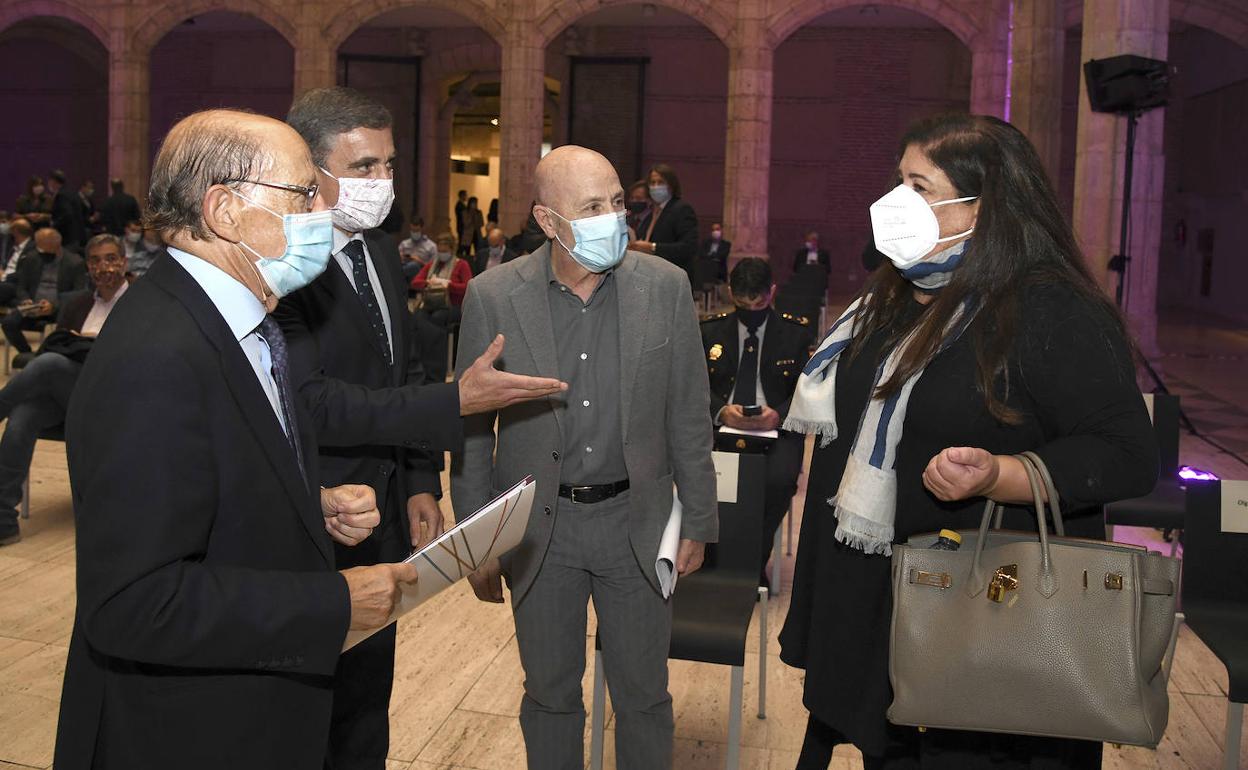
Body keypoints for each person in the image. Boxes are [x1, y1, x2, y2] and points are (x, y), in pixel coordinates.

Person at [778, 113, 1158, 769]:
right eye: (899, 181)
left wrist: (1002, 474)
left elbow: (1126, 453)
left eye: (919, 186)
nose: (897, 201)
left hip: (984, 618)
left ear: (985, 205)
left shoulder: (1050, 308)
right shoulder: (898, 292)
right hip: (883, 613)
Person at [53, 109, 417, 770]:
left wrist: (310, 502)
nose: (323, 208)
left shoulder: (239, 320)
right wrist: (332, 601)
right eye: (304, 193)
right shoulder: (156, 355)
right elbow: (135, 602)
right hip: (185, 733)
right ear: (223, 209)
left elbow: (212, 477)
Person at [281, 85, 558, 770]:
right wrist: (451, 405)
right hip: (315, 515)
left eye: (389, 165)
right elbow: (309, 402)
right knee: (307, 699)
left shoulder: (375, 251)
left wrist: (417, 478)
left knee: (368, 695)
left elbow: (398, 370)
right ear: (310, 173)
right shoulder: (287, 266)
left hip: (383, 518)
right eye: (364, 168)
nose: (383, 183)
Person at [452, 145, 718, 770]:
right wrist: (475, 540)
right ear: (547, 222)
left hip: (638, 522)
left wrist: (700, 521)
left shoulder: (665, 287)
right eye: (592, 207)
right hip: (542, 530)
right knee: (549, 694)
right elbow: (468, 429)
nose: (613, 218)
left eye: (618, 202)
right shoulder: (494, 296)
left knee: (645, 695)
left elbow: (688, 411)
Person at [0, 234, 130, 546]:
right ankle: (3, 519)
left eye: (111, 259)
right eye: (96, 261)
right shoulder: (77, 305)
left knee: (49, 364)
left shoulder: (140, 303)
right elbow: (59, 343)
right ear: (88, 267)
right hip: (69, 395)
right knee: (24, 414)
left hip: (115, 401)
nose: (104, 267)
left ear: (124, 262)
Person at [700, 257, 815, 588]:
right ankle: (716, 557)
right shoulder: (710, 331)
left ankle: (753, 561)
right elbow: (692, 385)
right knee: (707, 479)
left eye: (760, 302)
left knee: (778, 482)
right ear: (730, 292)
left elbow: (810, 390)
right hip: (720, 426)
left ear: (772, 293)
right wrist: (722, 410)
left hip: (777, 428)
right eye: (743, 303)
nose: (752, 309)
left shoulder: (795, 333)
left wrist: (779, 412)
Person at [2, 227, 88, 355]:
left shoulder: (75, 263)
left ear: (56, 246)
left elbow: (77, 293)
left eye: (45, 250)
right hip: (33, 306)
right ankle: (27, 354)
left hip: (58, 308)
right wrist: (25, 300)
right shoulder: (32, 258)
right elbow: (22, 286)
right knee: (8, 323)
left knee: (64, 332)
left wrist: (54, 306)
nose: (41, 252)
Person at [631, 163, 698, 289]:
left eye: (660, 182)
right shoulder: (652, 213)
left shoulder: (681, 209)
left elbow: (688, 247)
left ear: (671, 186)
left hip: (673, 280)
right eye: (652, 183)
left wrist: (653, 247)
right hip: (651, 278)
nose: (656, 186)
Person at [412, 233, 472, 311]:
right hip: (430, 302)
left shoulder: (462, 264)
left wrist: (448, 285)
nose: (442, 254)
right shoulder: (431, 265)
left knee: (437, 317)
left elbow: (468, 288)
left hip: (451, 305)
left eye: (444, 251)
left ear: (452, 250)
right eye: (439, 251)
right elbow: (415, 283)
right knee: (418, 316)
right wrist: (428, 283)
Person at [48, 170, 86, 249]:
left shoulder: (61, 195)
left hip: (67, 236)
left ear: (54, 182)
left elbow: (67, 214)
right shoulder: (71, 193)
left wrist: (54, 224)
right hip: (77, 235)